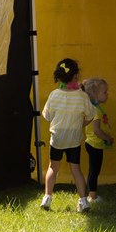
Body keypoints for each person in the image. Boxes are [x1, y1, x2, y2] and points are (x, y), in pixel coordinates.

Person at [40, 58, 97, 212]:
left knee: (53, 167)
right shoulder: (82, 96)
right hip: (74, 138)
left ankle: (47, 198)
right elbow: (91, 115)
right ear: (76, 76)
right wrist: (80, 125)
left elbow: (47, 116)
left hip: (57, 137)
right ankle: (83, 201)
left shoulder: (54, 95)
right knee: (76, 169)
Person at [82, 77, 114, 204]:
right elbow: (96, 130)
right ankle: (92, 196)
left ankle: (91, 193)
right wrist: (108, 138)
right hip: (94, 144)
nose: (107, 94)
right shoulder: (95, 110)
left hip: (95, 144)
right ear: (95, 94)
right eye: (104, 92)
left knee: (94, 169)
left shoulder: (96, 108)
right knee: (94, 170)